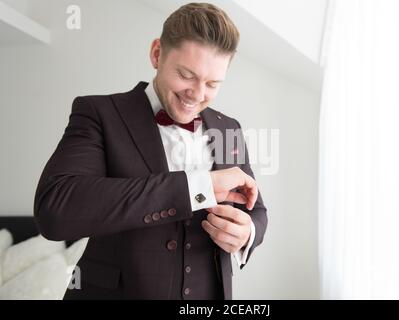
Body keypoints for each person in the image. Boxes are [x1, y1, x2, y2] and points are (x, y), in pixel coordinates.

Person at [34, 2, 267, 300]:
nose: (196, 94)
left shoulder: (229, 128)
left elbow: (256, 209)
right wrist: (197, 186)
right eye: (186, 75)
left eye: (212, 83)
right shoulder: (98, 113)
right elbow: (55, 210)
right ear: (157, 53)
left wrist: (248, 234)